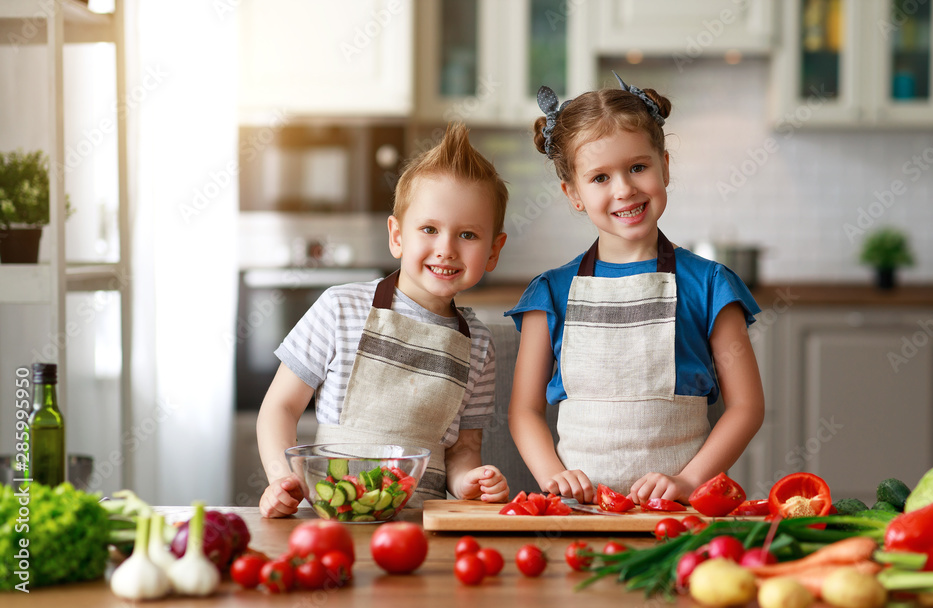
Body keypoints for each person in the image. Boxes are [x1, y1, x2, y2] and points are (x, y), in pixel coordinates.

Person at [506, 74, 765, 506]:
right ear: (573, 193)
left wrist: (687, 481)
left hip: (678, 513)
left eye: (638, 168)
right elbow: (524, 411)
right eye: (600, 178)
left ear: (665, 165)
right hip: (580, 515)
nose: (624, 189)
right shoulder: (549, 293)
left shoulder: (712, 285)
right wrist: (554, 476)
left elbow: (747, 408)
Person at [258, 123, 511, 518]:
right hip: (333, 516)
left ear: (495, 251)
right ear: (396, 236)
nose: (445, 249)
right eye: (429, 229)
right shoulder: (340, 308)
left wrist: (469, 482)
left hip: (419, 530)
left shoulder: (478, 344)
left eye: (467, 235)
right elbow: (280, 407)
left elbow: (462, 450)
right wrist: (281, 478)